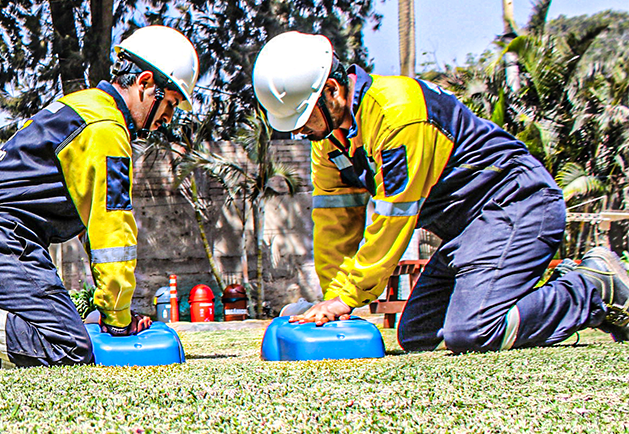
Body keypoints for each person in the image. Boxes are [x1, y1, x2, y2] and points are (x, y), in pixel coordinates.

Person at [252, 31, 629, 352]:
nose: (300, 132)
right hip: (468, 232)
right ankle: (518, 293)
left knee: (473, 333)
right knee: (417, 336)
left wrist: (347, 296)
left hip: (517, 205)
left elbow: (392, 218)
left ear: (332, 90)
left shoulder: (399, 115)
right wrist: (335, 301)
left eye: (303, 119)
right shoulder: (329, 141)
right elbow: (335, 222)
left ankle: (591, 288)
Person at [0, 25, 200, 374]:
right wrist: (117, 318)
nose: (168, 119)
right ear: (145, 83)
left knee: (55, 333)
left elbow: (89, 226)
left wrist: (99, 308)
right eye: (170, 103)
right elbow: (111, 230)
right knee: (67, 345)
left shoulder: (80, 106)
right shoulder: (106, 129)